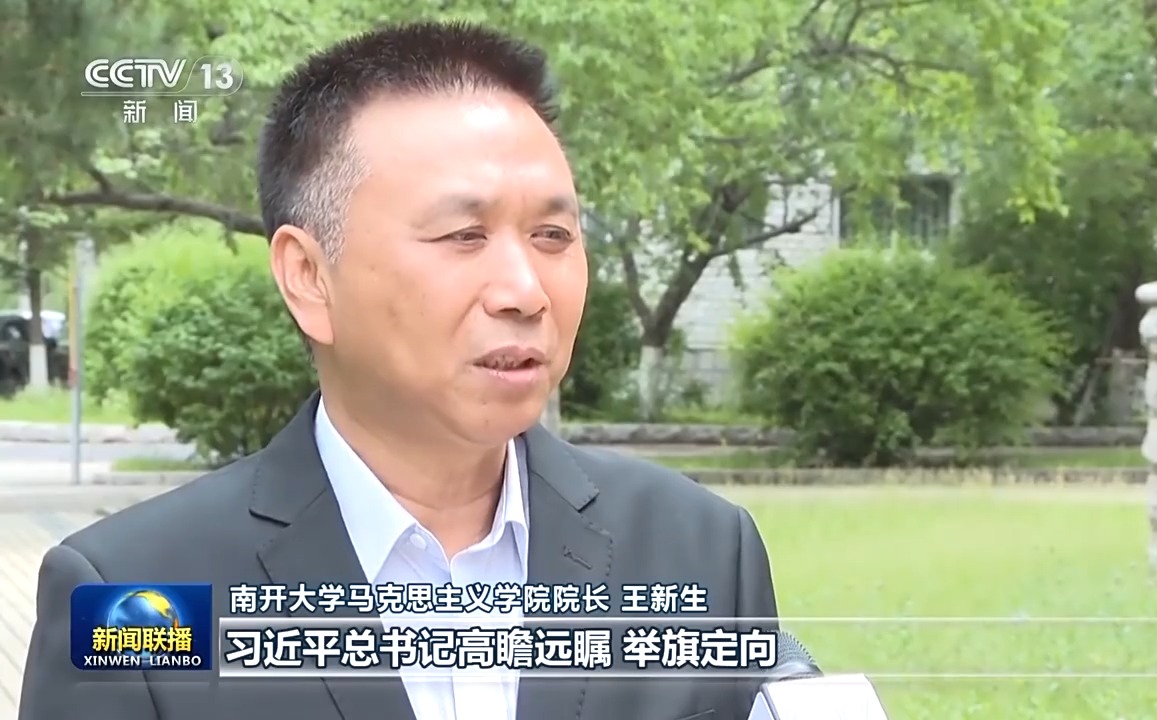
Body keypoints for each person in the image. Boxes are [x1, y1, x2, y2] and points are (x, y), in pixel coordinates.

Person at [19, 20, 780, 720]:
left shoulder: (702, 550)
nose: (525, 291)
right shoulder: (133, 595)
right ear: (309, 277)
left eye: (552, 235)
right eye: (463, 235)